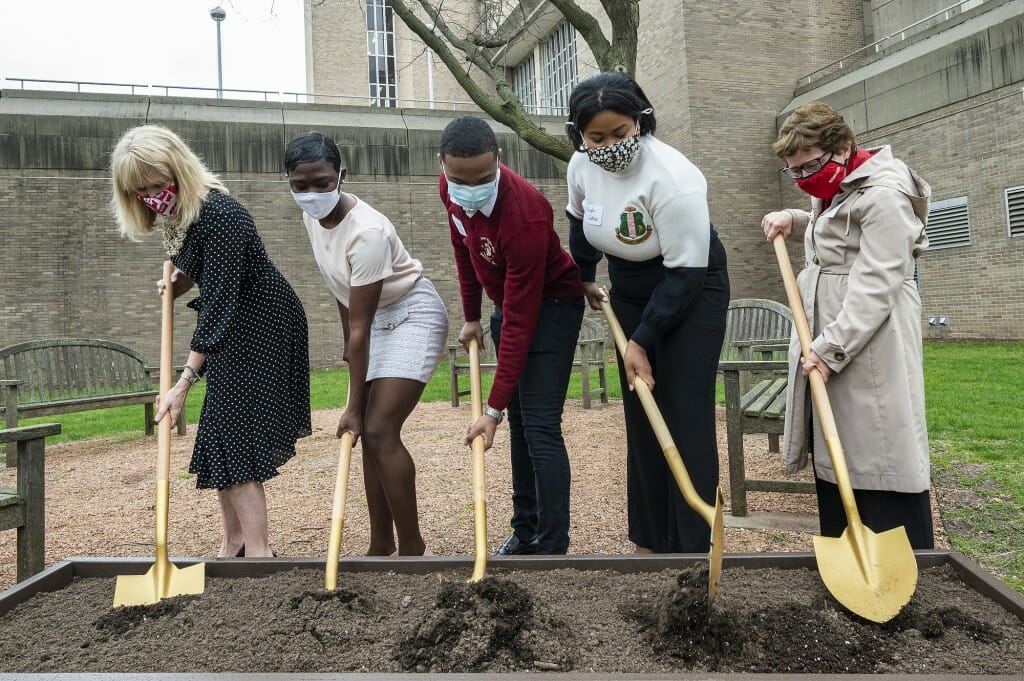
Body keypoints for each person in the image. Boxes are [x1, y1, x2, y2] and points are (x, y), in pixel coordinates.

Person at [110, 124, 312, 558]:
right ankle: (233, 543)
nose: (151, 195)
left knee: (234, 433)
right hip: (236, 324)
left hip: (262, 324)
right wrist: (179, 281)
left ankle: (257, 554)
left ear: (178, 169)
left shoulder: (219, 214)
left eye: (156, 184)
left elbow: (221, 303)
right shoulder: (182, 215)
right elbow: (201, 272)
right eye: (141, 190)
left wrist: (184, 381)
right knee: (220, 433)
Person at [565, 72, 730, 554]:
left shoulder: (673, 179)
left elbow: (685, 274)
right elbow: (580, 221)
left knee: (683, 408)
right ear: (580, 135)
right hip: (631, 289)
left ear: (641, 121)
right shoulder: (581, 166)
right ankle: (651, 540)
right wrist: (583, 275)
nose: (609, 146)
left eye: (620, 133)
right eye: (596, 137)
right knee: (641, 410)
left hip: (691, 288)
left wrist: (642, 340)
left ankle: (696, 544)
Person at [761, 101, 934, 549]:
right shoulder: (835, 185)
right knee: (839, 449)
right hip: (832, 336)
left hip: (868, 339)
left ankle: (901, 555)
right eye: (793, 172)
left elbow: (877, 282)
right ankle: (843, 550)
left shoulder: (886, 194)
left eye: (810, 166)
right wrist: (795, 220)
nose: (804, 179)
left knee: (877, 443)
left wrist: (830, 348)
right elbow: (840, 233)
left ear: (844, 147)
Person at [285, 131, 448, 556]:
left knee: (376, 427)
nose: (313, 193)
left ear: (342, 175)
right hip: (369, 318)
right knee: (368, 438)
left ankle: (414, 551)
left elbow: (361, 327)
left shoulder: (367, 233)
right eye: (300, 186)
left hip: (412, 313)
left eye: (322, 182)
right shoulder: (311, 218)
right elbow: (343, 292)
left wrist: (352, 406)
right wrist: (346, 350)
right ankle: (380, 546)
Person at [438, 116, 585, 556]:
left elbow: (522, 321)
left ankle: (552, 545)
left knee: (539, 426)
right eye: (460, 179)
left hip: (552, 307)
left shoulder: (525, 215)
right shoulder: (451, 188)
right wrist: (471, 316)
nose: (470, 188)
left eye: (483, 178)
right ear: (443, 166)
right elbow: (463, 250)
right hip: (510, 305)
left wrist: (491, 410)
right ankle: (525, 531)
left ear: (498, 161)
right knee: (520, 427)